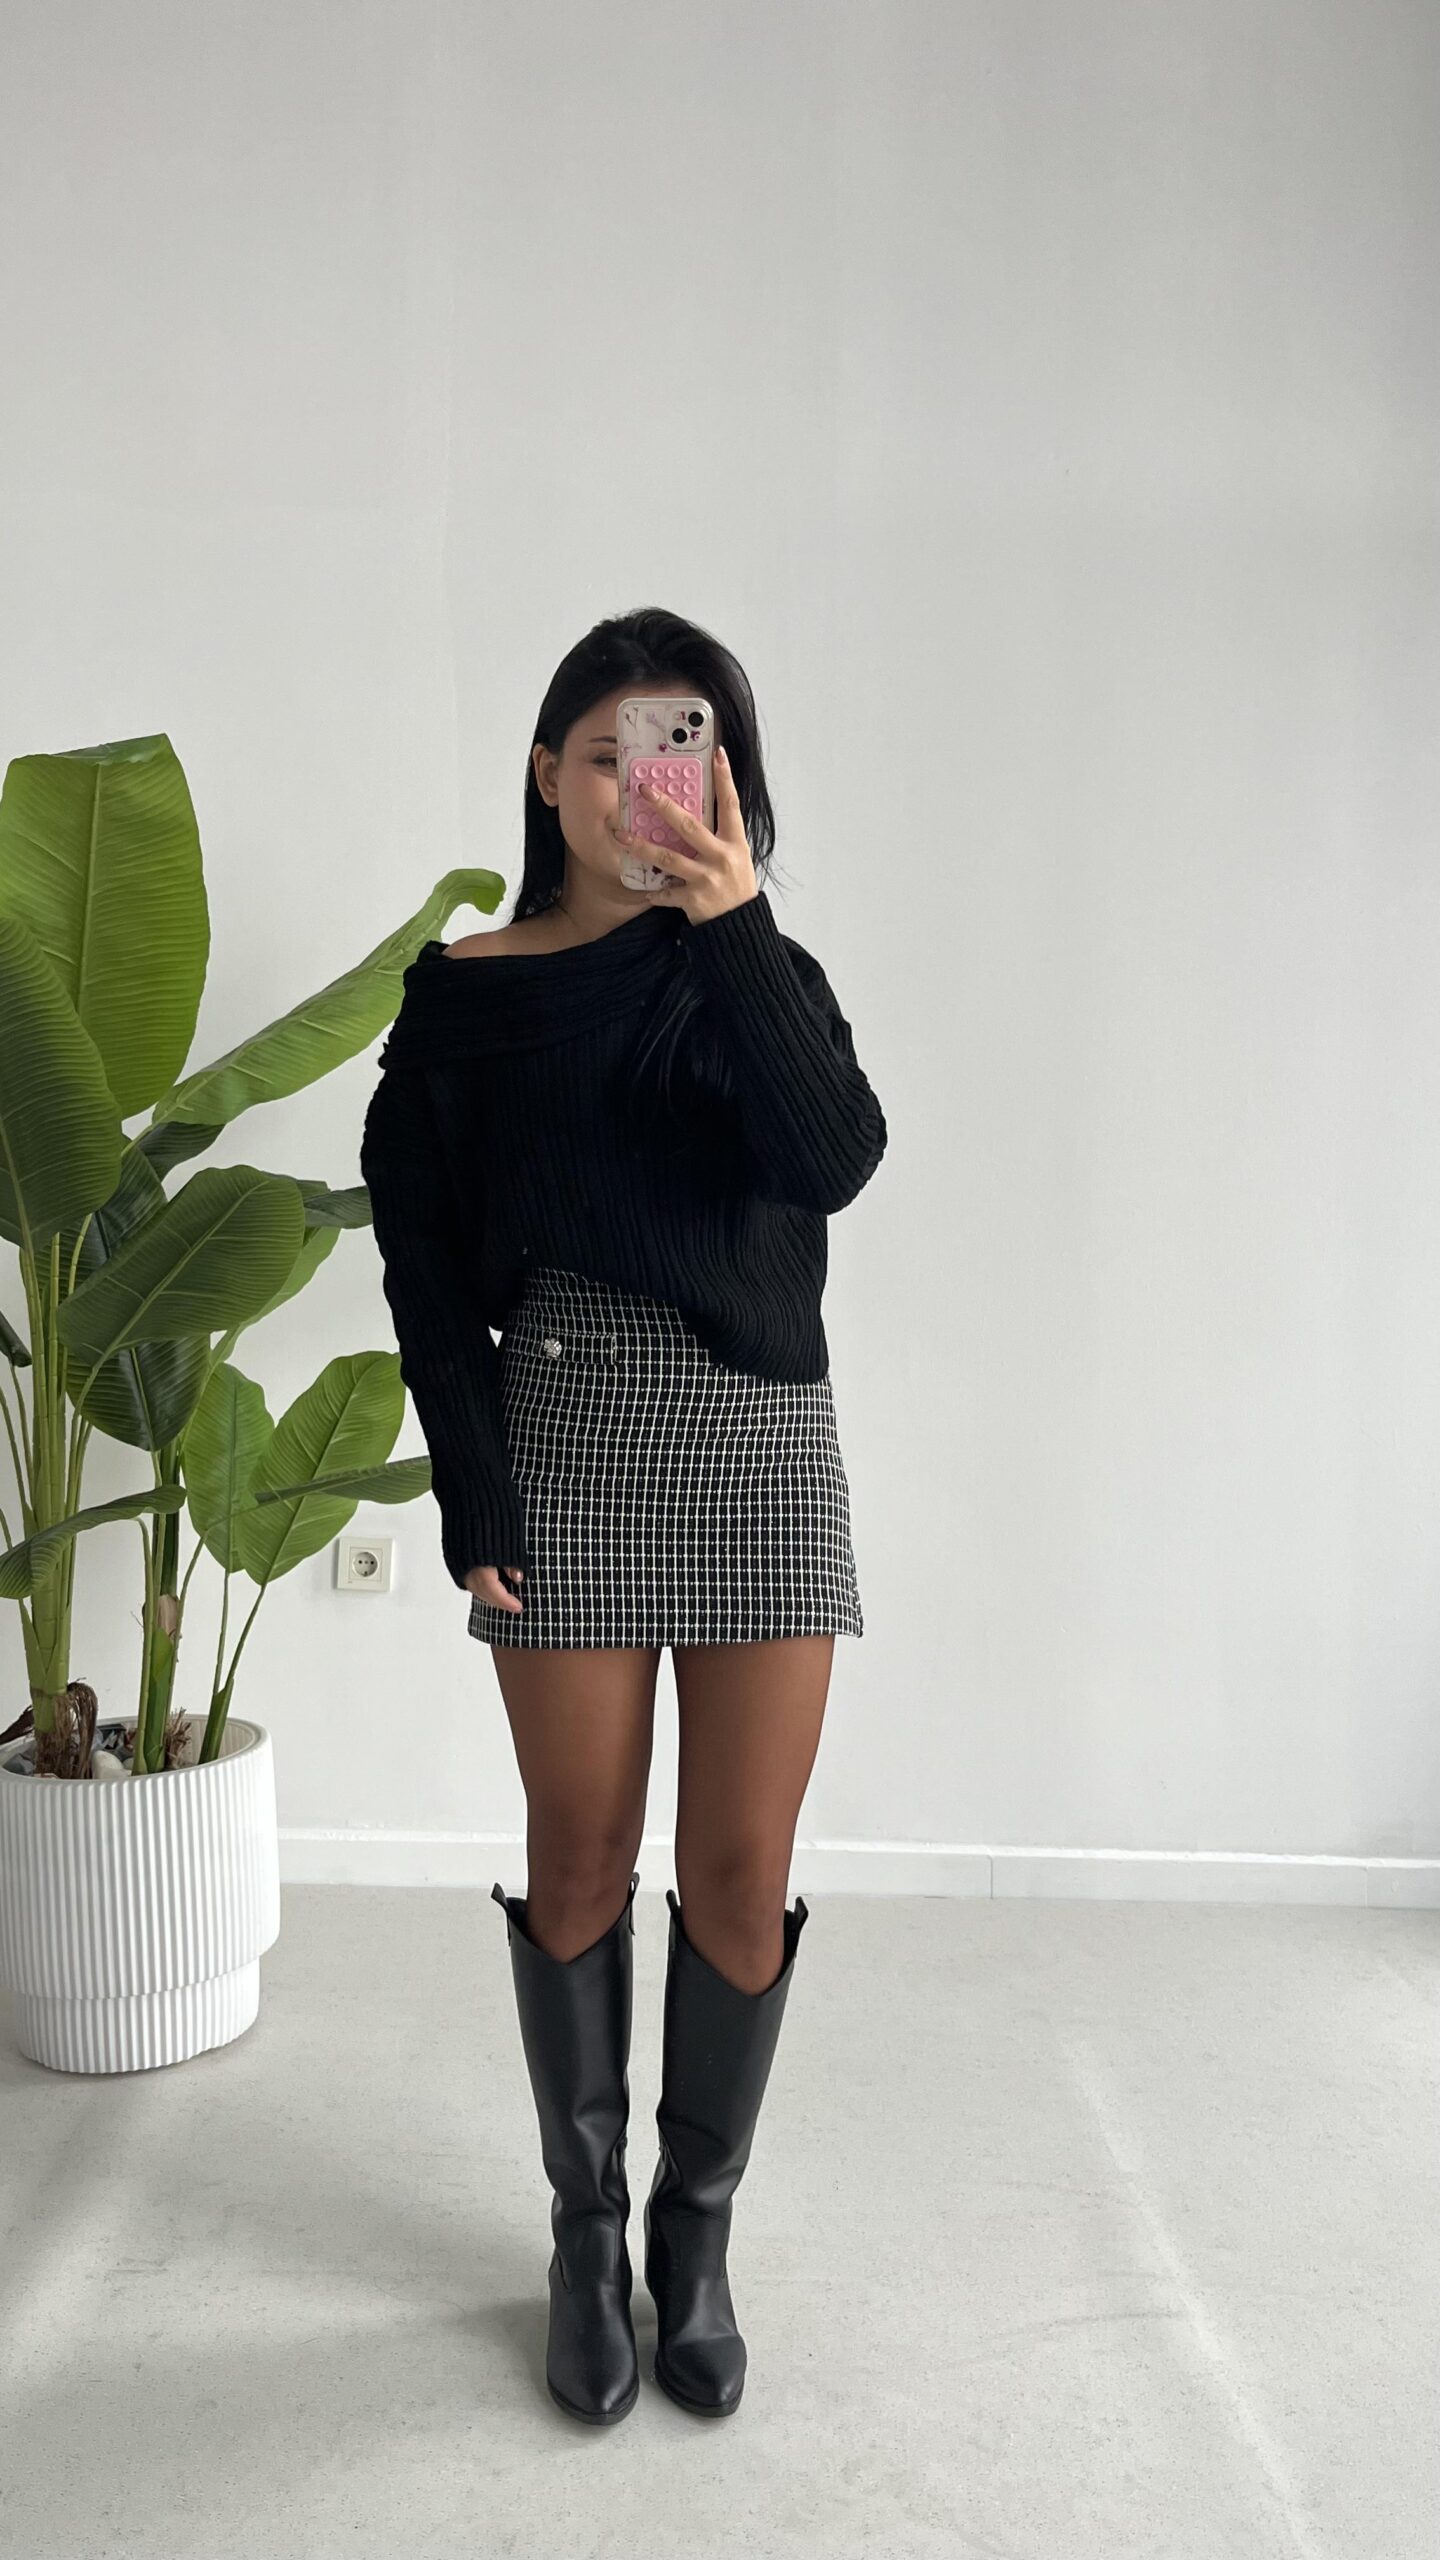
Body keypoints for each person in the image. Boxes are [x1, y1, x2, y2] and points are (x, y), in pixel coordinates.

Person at [359, 606, 888, 2426]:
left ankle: (694, 2234)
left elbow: (833, 1159)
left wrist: (729, 929)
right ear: (545, 773)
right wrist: (470, 1483)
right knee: (579, 1859)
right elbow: (426, 1262)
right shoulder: (464, 994)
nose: (633, 789)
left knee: (739, 1870)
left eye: (673, 753)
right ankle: (584, 2237)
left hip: (760, 1441)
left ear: (720, 780)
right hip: (564, 1434)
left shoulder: (759, 970)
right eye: (604, 754)